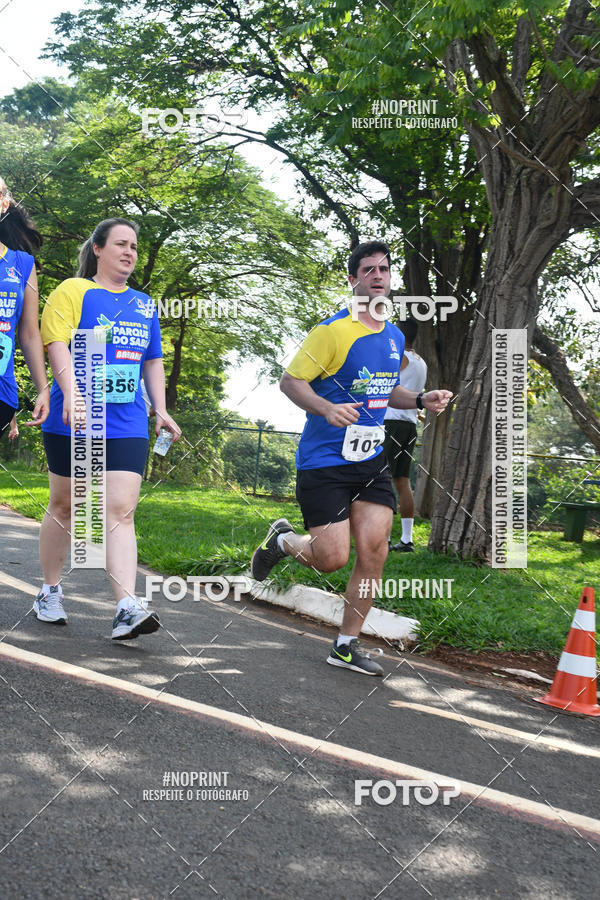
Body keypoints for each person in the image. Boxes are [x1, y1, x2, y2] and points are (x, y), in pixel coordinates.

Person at [250, 241, 452, 676]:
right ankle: (282, 541)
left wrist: (419, 397)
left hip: (370, 458)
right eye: (368, 270)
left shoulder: (394, 336)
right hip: (324, 460)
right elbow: (290, 382)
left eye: (384, 269)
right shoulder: (331, 331)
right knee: (331, 558)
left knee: (375, 549)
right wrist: (326, 408)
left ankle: (345, 644)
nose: (378, 276)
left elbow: (384, 389)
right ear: (353, 279)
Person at [37, 217, 181, 639]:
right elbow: (55, 343)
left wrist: (161, 409)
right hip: (74, 418)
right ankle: (48, 591)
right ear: (98, 249)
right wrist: (73, 392)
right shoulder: (74, 291)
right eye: (121, 243)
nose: (130, 252)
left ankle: (125, 607)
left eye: (134, 246)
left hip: (126, 420)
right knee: (64, 506)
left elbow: (151, 360)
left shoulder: (143, 304)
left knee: (120, 510)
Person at [0, 177, 49, 437]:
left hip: (1, 392)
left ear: (4, 205)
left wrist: (43, 388)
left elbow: (29, 333)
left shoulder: (22, 264)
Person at [383, 318, 427, 552]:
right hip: (409, 425)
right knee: (402, 480)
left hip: (391, 422)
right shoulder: (422, 362)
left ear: (400, 335)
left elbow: (383, 381)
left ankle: (385, 538)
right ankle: (407, 540)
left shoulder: (401, 358)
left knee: (382, 478)